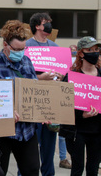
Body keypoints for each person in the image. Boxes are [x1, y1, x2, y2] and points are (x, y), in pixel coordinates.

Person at [0, 20, 40, 175]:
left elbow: (35, 91)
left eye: (23, 49)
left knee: (32, 169)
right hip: (1, 132)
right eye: (16, 49)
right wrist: (4, 110)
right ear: (5, 45)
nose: (20, 52)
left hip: (27, 130)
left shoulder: (27, 62)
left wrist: (42, 111)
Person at [27, 12, 67, 176]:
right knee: (29, 147)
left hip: (50, 103)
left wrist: (62, 76)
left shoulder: (55, 48)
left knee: (49, 147)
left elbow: (62, 73)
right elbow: (22, 77)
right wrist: (40, 78)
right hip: (31, 102)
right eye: (46, 22)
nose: (49, 25)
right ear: (37, 26)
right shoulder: (26, 46)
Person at [60, 36, 101, 176]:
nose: (95, 53)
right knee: (77, 168)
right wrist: (81, 114)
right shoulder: (72, 77)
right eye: (90, 50)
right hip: (77, 131)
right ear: (81, 53)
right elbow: (63, 104)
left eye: (96, 49)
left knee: (93, 169)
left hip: (97, 131)